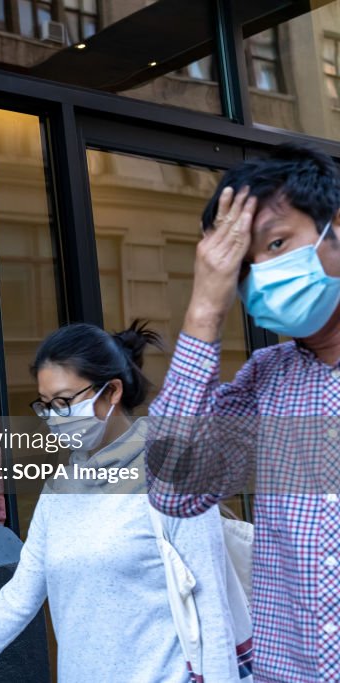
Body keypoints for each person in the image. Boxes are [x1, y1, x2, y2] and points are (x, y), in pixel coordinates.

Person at [0, 321, 238, 683]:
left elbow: (213, 614)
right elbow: (19, 599)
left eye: (64, 401)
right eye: (46, 406)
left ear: (111, 392)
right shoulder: (59, 492)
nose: (55, 417)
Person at [146, 142, 340, 682]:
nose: (268, 273)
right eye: (246, 268)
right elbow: (175, 490)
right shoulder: (264, 379)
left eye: (278, 243)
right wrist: (205, 307)